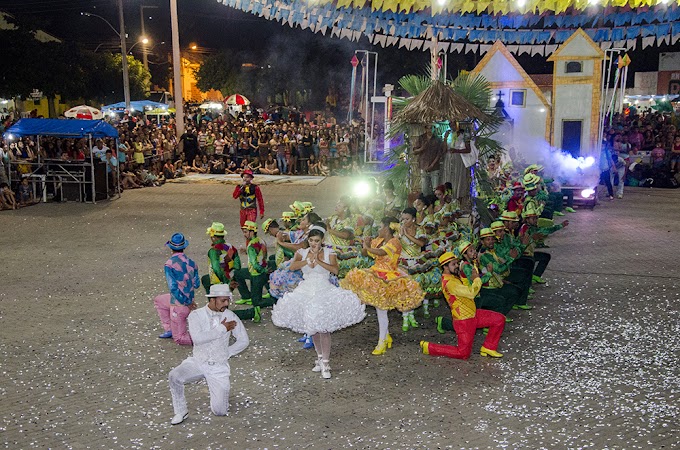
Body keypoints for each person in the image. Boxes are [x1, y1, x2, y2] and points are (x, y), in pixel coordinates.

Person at [272, 225, 365, 379]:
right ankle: (320, 358)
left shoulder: (330, 253)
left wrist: (319, 261)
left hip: (324, 290)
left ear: (322, 241)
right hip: (306, 290)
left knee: (324, 328)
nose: (314, 243)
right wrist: (307, 261)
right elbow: (293, 266)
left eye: (316, 240)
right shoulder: (301, 252)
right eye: (311, 240)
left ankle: (326, 363)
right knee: (313, 328)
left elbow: (335, 270)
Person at [167, 284, 249, 425]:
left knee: (220, 411)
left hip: (218, 367)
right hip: (198, 362)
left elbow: (244, 340)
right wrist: (222, 328)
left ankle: (217, 393)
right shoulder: (196, 315)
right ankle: (181, 411)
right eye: (223, 300)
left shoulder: (230, 316)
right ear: (212, 299)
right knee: (174, 376)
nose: (227, 304)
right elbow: (197, 339)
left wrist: (227, 353)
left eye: (228, 300)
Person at [342, 217, 424, 355]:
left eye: (380, 226)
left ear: (386, 228)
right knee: (380, 310)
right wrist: (365, 245)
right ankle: (385, 337)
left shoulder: (395, 242)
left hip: (389, 277)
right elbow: (365, 254)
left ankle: (382, 342)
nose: (378, 229)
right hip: (375, 274)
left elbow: (381, 252)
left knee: (381, 310)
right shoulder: (378, 240)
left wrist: (368, 246)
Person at [421, 252, 505, 359]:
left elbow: (466, 288)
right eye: (453, 264)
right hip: (464, 321)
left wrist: (465, 277)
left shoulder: (454, 277)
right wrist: (476, 279)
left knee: (499, 319)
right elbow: (471, 293)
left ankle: (489, 347)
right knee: (463, 353)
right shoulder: (450, 283)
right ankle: (430, 347)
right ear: (445, 267)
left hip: (473, 314)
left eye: (457, 263)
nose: (457, 266)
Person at [153, 233, 200, 346]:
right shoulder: (192, 263)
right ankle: (171, 329)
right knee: (159, 300)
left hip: (179, 305)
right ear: (184, 247)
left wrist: (186, 302)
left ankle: (205, 339)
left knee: (179, 338)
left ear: (171, 248)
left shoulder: (169, 264)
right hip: (188, 300)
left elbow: (173, 287)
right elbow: (197, 284)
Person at [233, 221, 275, 313]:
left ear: (252, 232)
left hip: (256, 274)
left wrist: (263, 271)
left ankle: (276, 300)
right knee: (237, 273)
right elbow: (259, 254)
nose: (244, 234)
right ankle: (246, 296)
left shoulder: (251, 245)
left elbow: (255, 264)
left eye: (245, 232)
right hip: (260, 271)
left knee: (257, 302)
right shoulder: (260, 240)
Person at [413, 128, 450, 195]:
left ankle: (435, 204)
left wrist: (432, 165)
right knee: (425, 190)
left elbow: (440, 153)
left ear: (434, 129)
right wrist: (422, 148)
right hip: (424, 166)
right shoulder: (421, 138)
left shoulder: (437, 139)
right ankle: (427, 204)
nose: (429, 130)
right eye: (428, 128)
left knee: (436, 190)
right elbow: (415, 152)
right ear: (425, 129)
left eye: (431, 128)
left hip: (434, 167)